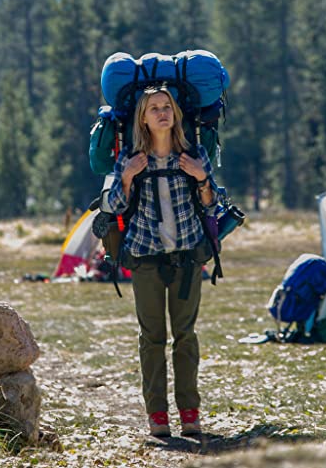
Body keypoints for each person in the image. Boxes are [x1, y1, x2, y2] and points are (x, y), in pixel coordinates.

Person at [107, 86, 223, 438]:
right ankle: (157, 415)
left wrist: (201, 177)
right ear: (142, 118)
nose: (162, 113)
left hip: (188, 257)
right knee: (152, 338)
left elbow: (212, 205)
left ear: (176, 114)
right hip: (145, 259)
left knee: (185, 336)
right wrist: (126, 176)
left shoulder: (193, 153)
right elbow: (112, 207)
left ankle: (190, 411)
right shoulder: (130, 157)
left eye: (167, 107)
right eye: (154, 108)